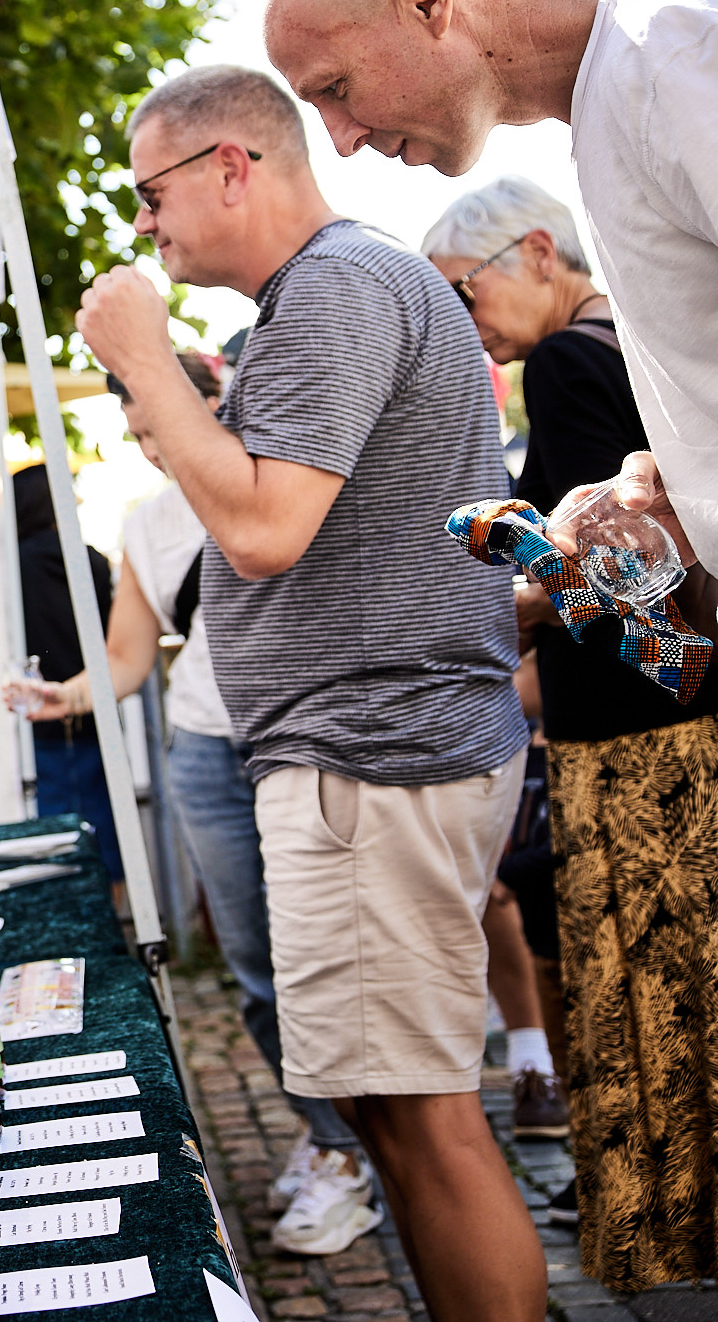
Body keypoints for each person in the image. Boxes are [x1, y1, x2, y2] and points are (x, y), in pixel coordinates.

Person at [74, 65, 539, 1322]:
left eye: (150, 193)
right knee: (393, 1119)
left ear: (229, 165)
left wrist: (143, 363)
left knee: (425, 1123)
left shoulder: (333, 286)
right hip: (371, 752)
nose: (143, 226)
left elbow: (262, 527)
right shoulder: (334, 288)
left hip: (371, 756)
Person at [9, 353, 378, 1255]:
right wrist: (66, 695)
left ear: (216, 403)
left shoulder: (278, 483)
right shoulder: (146, 522)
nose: (153, 449)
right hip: (207, 752)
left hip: (309, 742)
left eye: (160, 426)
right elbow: (126, 657)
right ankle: (335, 1142)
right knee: (255, 965)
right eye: (137, 435)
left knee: (330, 957)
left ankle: (370, 1144)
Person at [423, 174, 718, 1290]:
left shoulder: (562, 361)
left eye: (464, 291)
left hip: (637, 736)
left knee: (646, 988)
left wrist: (521, 593)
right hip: (670, 722)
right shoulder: (630, 343)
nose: (465, 322)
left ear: (538, 252)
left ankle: (665, 1230)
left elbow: (621, 585)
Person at [260, 0, 718, 596]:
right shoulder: (629, 89)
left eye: (336, 87)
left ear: (427, 1)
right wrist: (692, 486)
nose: (340, 140)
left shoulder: (670, 59)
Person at [9, 462, 123, 883]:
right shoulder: (91, 561)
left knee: (57, 843)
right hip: (94, 708)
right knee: (106, 832)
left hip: (41, 715)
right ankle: (114, 916)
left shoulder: (12, 567)